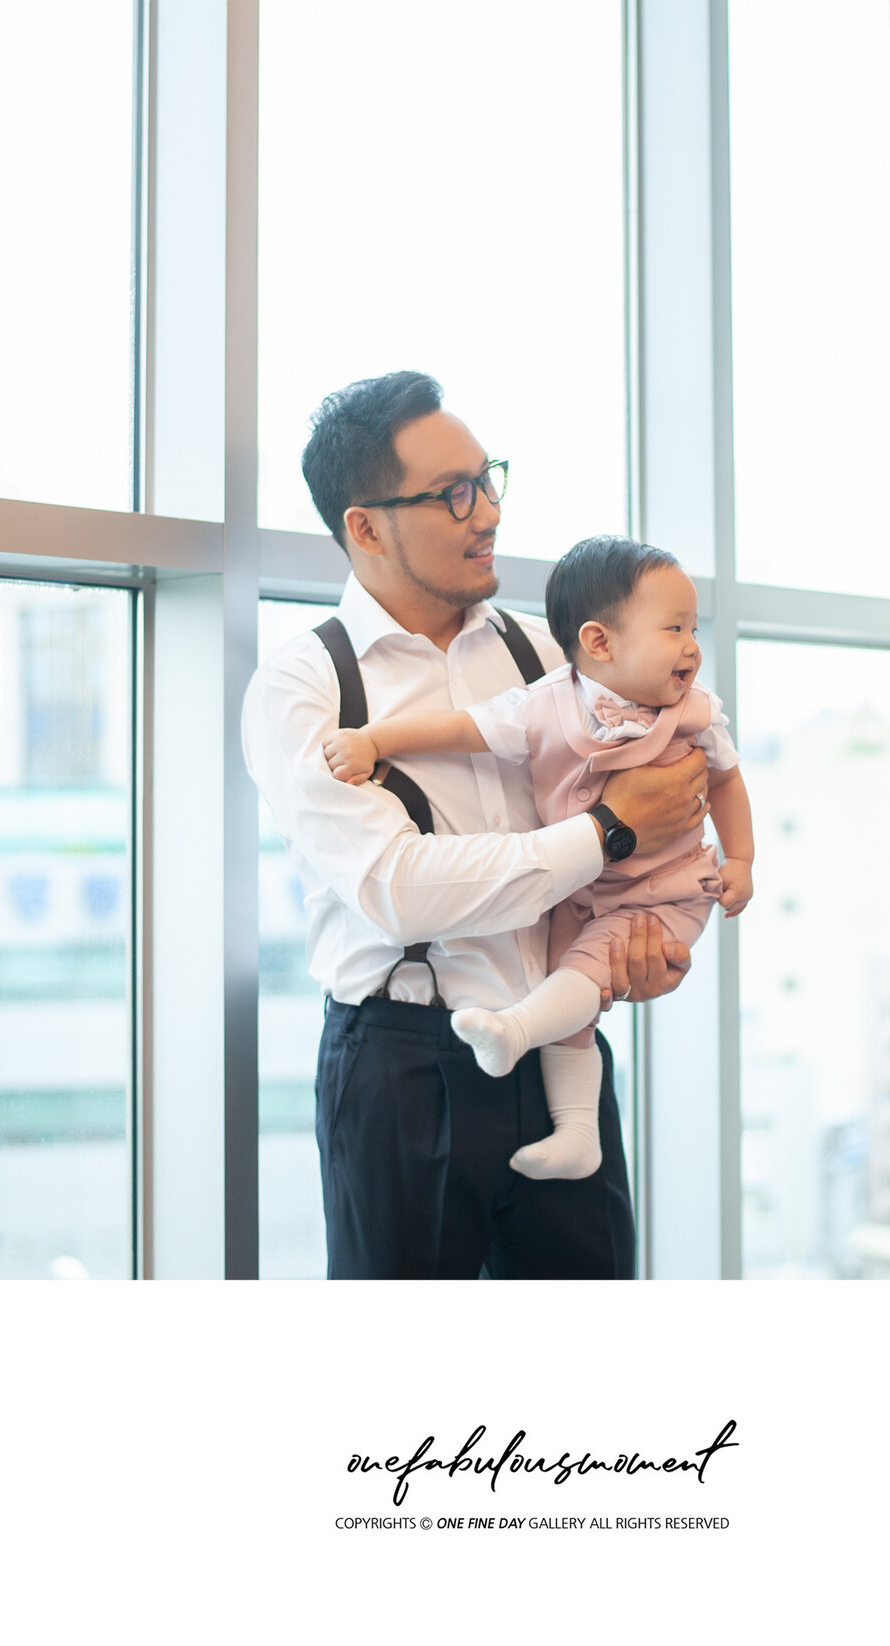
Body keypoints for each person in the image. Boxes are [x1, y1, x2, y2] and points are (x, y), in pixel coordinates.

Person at [240, 370, 708, 1279]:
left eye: (488, 479)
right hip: (404, 1068)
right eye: (453, 493)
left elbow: (664, 812)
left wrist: (643, 943)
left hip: (561, 1046)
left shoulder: (552, 653)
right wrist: (608, 831)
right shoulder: (303, 686)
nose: (487, 512)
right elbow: (399, 892)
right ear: (365, 527)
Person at [321, 535, 756, 1182]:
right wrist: (373, 740)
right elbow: (460, 727)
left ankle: (517, 1032)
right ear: (599, 642)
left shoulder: (696, 713)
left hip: (664, 891)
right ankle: (576, 1133)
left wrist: (740, 859)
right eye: (675, 629)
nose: (692, 646)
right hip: (574, 893)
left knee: (581, 974)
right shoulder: (545, 702)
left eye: (693, 629)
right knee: (570, 988)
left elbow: (725, 781)